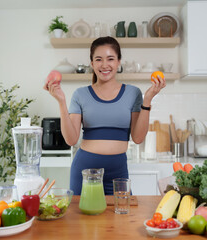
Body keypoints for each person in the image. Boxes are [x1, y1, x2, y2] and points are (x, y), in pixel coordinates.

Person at [43, 36, 166, 195]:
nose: (104, 64)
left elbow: (138, 138)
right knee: (82, 219)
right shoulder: (80, 94)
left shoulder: (132, 93)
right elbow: (71, 140)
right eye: (99, 59)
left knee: (121, 218)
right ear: (92, 63)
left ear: (118, 62)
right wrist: (61, 102)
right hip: (85, 173)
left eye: (110, 59)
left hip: (118, 173)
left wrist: (147, 99)